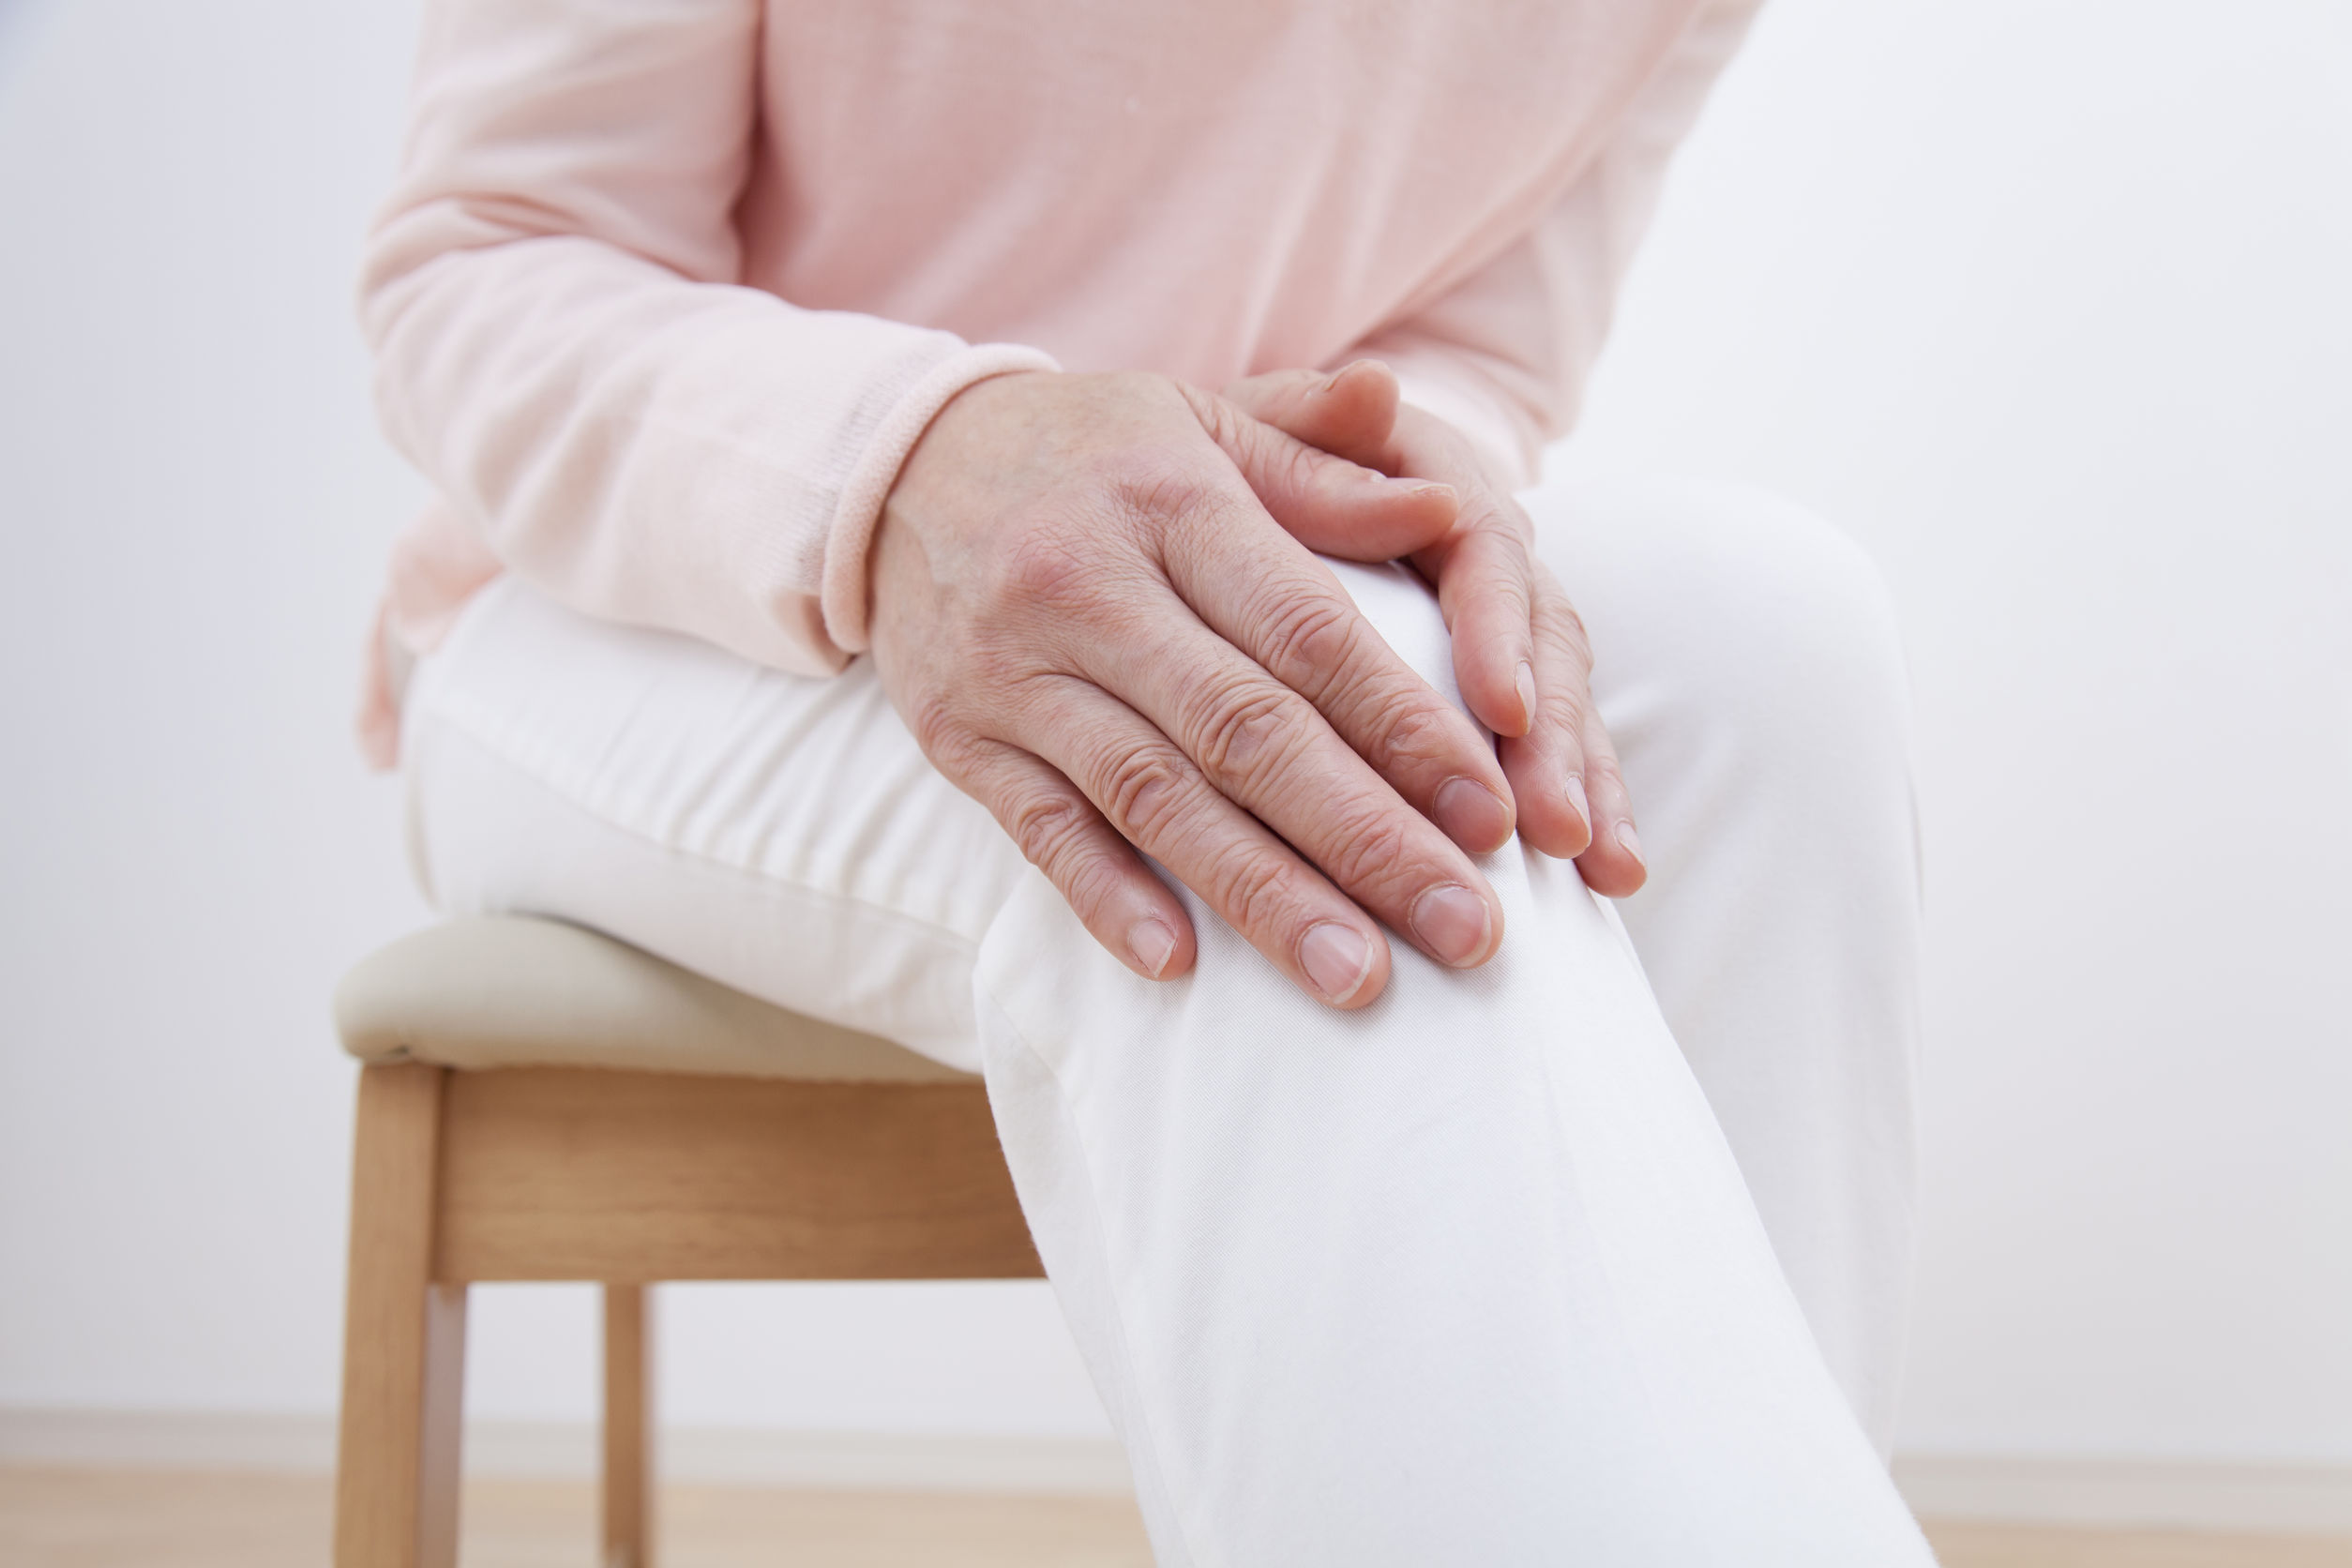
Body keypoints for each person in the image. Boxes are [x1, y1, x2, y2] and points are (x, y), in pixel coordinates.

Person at [357, 0, 1936, 1560]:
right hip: (636, 592)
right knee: (1268, 807)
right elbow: (490, 262)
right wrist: (921, 456)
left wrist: (1370, 488)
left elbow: (1474, 341)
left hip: (1190, 525)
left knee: (1764, 638)